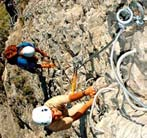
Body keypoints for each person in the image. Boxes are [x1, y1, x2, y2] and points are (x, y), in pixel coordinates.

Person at [32, 86, 96, 132]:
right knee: (82, 106)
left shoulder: (50, 104)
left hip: (65, 111)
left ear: (50, 108)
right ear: (51, 122)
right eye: (54, 118)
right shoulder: (54, 127)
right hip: (65, 119)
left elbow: (69, 98)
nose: (57, 113)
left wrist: (85, 92)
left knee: (72, 95)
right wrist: (89, 103)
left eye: (53, 112)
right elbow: (74, 117)